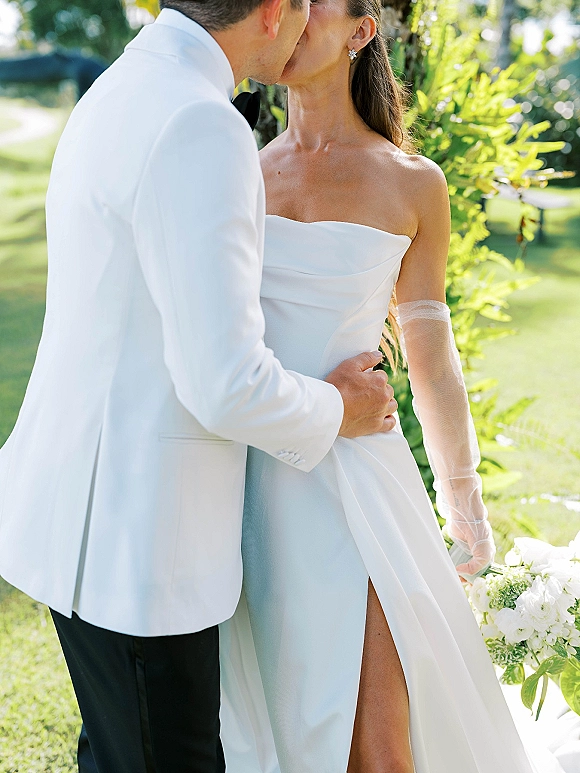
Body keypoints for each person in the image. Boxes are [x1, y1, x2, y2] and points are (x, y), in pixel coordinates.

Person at [0, 2, 398, 771]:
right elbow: (225, 384)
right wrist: (343, 407)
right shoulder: (200, 124)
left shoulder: (124, 83)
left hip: (78, 520)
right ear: (274, 12)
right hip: (140, 548)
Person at [219, 2, 538, 772]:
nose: (291, 16)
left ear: (363, 31)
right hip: (250, 486)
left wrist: (462, 494)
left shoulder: (413, 183)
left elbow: (430, 358)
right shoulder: (237, 171)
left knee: (381, 751)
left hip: (361, 483)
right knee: (277, 738)